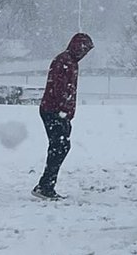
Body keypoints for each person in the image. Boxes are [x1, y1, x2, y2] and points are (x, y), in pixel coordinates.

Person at [32, 32, 94, 199]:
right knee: (60, 147)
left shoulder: (70, 62)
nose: (85, 53)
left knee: (60, 147)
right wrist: (63, 110)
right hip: (53, 111)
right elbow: (61, 89)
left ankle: (46, 184)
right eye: (84, 49)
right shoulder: (64, 61)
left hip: (58, 111)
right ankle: (45, 186)